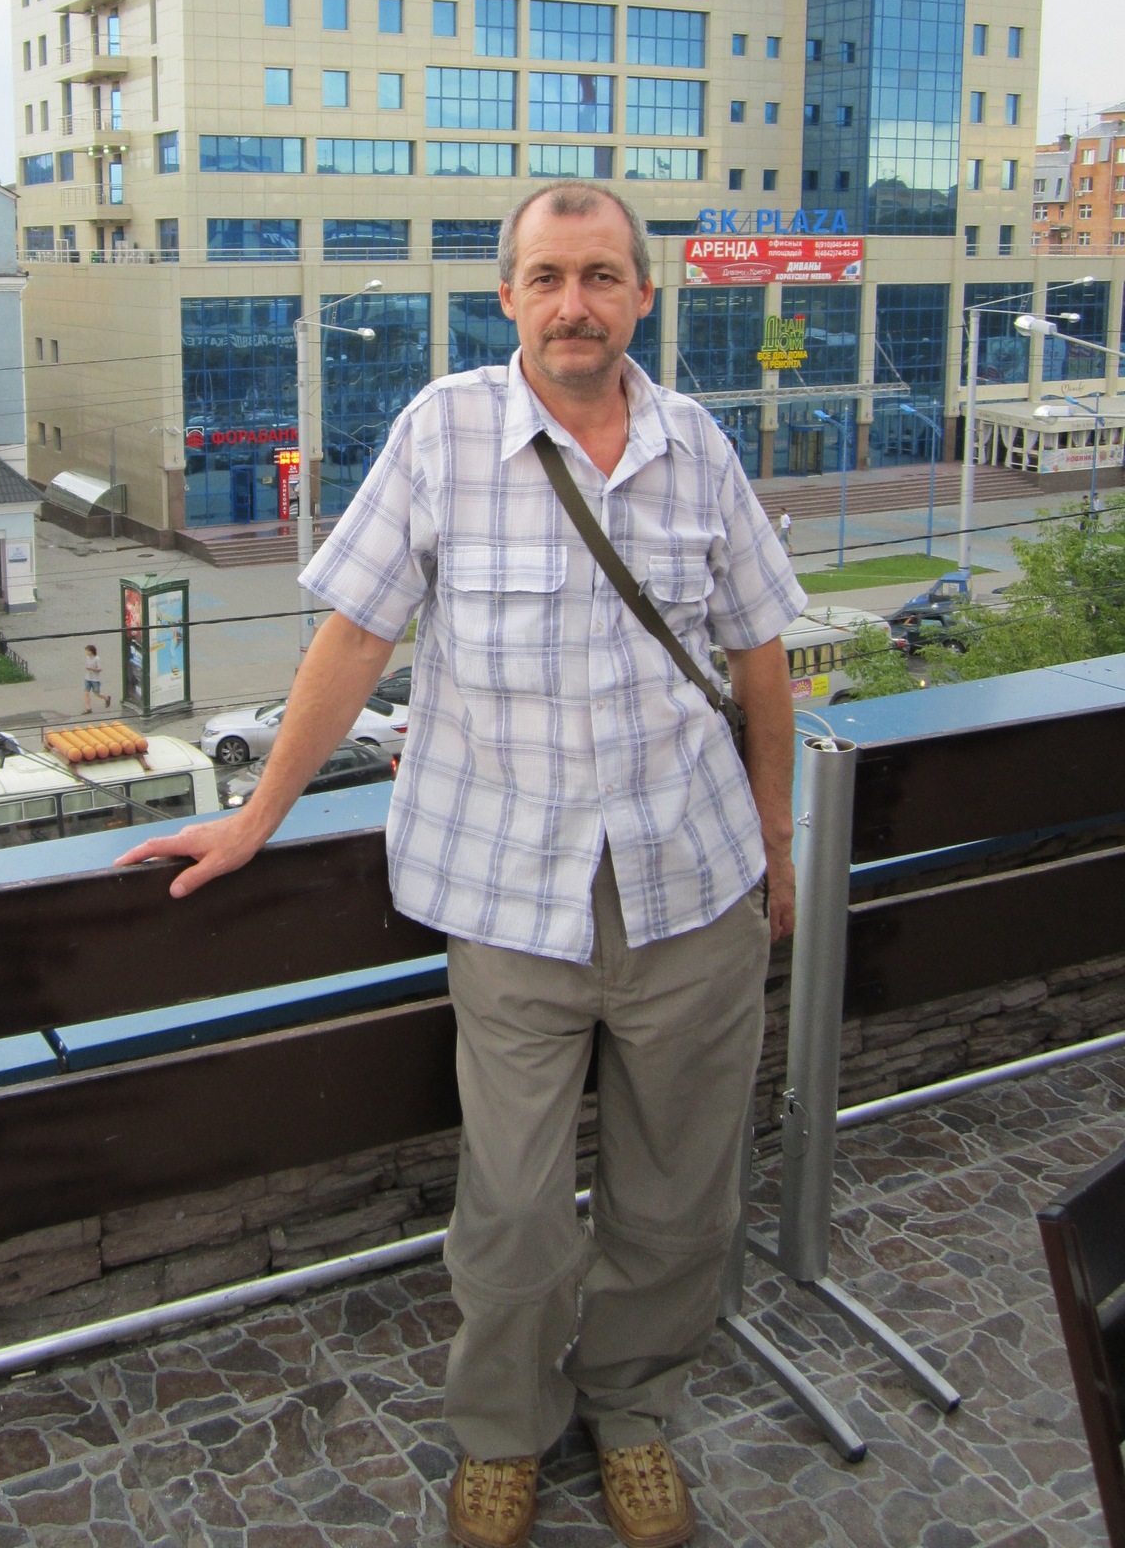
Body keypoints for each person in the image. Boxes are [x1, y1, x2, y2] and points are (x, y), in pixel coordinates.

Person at [116, 185, 804, 1548]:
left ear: (643, 294)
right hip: (510, 898)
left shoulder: (699, 446)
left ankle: (635, 1410)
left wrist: (775, 845)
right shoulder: (443, 431)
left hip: (693, 885)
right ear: (508, 297)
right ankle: (503, 1431)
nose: (574, 304)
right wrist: (254, 818)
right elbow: (354, 638)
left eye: (600, 276)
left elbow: (761, 654)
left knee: (682, 1195)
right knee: (515, 1209)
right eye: (547, 277)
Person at [83, 642, 112, 712]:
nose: (87, 652)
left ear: (91, 651)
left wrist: (91, 669)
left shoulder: (97, 659)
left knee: (97, 693)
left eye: (88, 651)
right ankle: (88, 708)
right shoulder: (87, 658)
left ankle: (106, 698)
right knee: (86, 693)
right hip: (88, 678)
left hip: (95, 679)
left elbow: (99, 669)